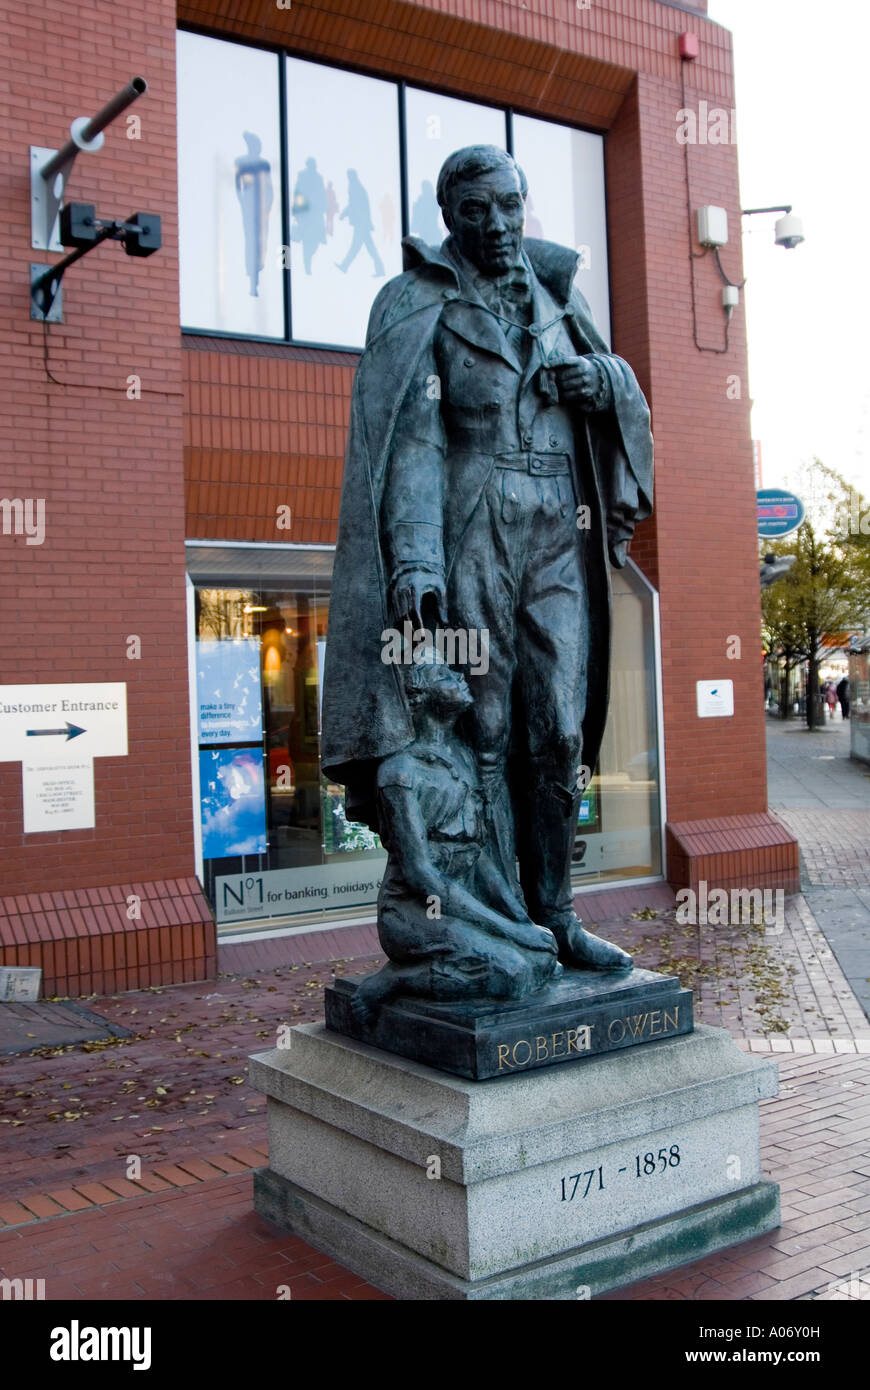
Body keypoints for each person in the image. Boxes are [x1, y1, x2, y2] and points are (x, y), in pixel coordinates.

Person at [322, 145, 653, 983]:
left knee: (559, 729)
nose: (498, 225)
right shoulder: (412, 303)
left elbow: (624, 395)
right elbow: (411, 445)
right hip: (472, 530)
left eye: (509, 206)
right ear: (450, 220)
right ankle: (493, 908)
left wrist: (604, 381)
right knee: (483, 727)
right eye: (477, 212)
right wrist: (417, 567)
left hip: (556, 538)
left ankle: (559, 911)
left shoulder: (559, 297)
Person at [351, 656, 560, 1022]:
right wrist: (509, 930)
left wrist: (520, 922)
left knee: (545, 960)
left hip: (461, 907)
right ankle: (398, 979)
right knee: (513, 973)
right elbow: (421, 874)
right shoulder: (400, 772)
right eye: (445, 675)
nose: (460, 677)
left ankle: (474, 956)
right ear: (419, 695)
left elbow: (476, 856)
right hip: (414, 911)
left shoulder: (462, 756)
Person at [335, 169, 385, 277]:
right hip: (362, 223)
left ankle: (345, 265)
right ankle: (380, 269)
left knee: (357, 247)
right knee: (367, 248)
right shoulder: (356, 187)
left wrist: (344, 214)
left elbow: (355, 204)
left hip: (361, 223)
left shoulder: (355, 188)